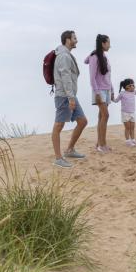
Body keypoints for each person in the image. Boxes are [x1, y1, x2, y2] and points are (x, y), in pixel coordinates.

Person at [50, 30, 88, 168]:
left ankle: (69, 150)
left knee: (82, 121)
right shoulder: (64, 56)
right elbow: (65, 77)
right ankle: (58, 158)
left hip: (70, 95)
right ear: (67, 40)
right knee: (58, 125)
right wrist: (71, 98)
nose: (76, 40)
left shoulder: (66, 55)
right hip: (64, 96)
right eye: (74, 38)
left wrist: (72, 96)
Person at [85, 33, 115, 153]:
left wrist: (112, 90)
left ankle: (100, 143)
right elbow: (92, 77)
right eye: (108, 42)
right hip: (99, 91)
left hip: (107, 90)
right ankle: (102, 145)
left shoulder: (104, 57)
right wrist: (97, 92)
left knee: (101, 116)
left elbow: (108, 76)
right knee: (105, 115)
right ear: (103, 43)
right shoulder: (94, 57)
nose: (110, 45)